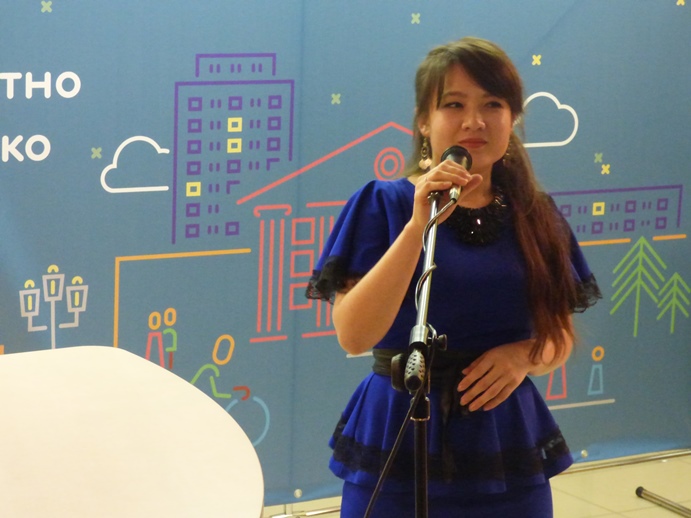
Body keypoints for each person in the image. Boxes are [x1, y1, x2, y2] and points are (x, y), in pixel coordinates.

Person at [306, 36, 601, 518]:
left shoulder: (536, 214)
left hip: (504, 441)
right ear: (424, 121)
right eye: (454, 104)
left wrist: (522, 356)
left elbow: (560, 337)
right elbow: (354, 335)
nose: (474, 121)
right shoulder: (384, 203)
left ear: (513, 117)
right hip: (398, 432)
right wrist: (417, 226)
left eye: (492, 104)